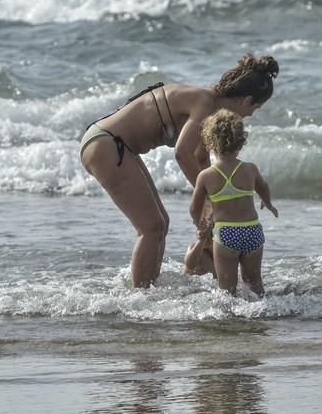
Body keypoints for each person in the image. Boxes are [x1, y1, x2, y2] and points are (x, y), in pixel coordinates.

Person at [80, 54, 279, 288]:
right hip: (106, 144)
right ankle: (140, 299)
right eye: (255, 108)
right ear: (246, 100)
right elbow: (183, 154)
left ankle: (149, 288)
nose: (250, 115)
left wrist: (215, 202)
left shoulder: (211, 110)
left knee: (160, 223)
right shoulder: (205, 102)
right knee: (151, 227)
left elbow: (201, 159)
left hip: (117, 146)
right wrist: (213, 198)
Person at [189, 109, 278, 296]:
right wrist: (267, 202)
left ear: (210, 143)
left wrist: (201, 225)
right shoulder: (249, 169)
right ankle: (262, 314)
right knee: (254, 283)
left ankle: (229, 323)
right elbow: (263, 186)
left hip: (227, 233)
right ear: (240, 141)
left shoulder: (206, 176)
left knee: (227, 289)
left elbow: (194, 207)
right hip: (253, 231)